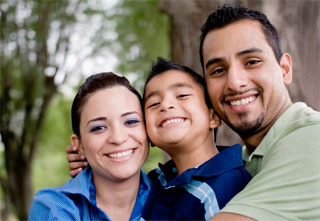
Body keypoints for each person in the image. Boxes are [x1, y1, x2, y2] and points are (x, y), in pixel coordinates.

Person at [199, 5, 320, 220]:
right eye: (218, 70)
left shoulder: (313, 138)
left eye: (252, 62)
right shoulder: (242, 163)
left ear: (284, 69)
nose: (235, 83)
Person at [29, 72, 151, 220]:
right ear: (79, 145)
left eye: (131, 121)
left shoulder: (174, 192)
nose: (118, 138)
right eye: (98, 128)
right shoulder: (55, 206)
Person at [141, 57, 251, 220]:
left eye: (182, 95)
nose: (165, 105)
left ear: (213, 117)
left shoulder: (228, 186)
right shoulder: (155, 181)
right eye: (154, 104)